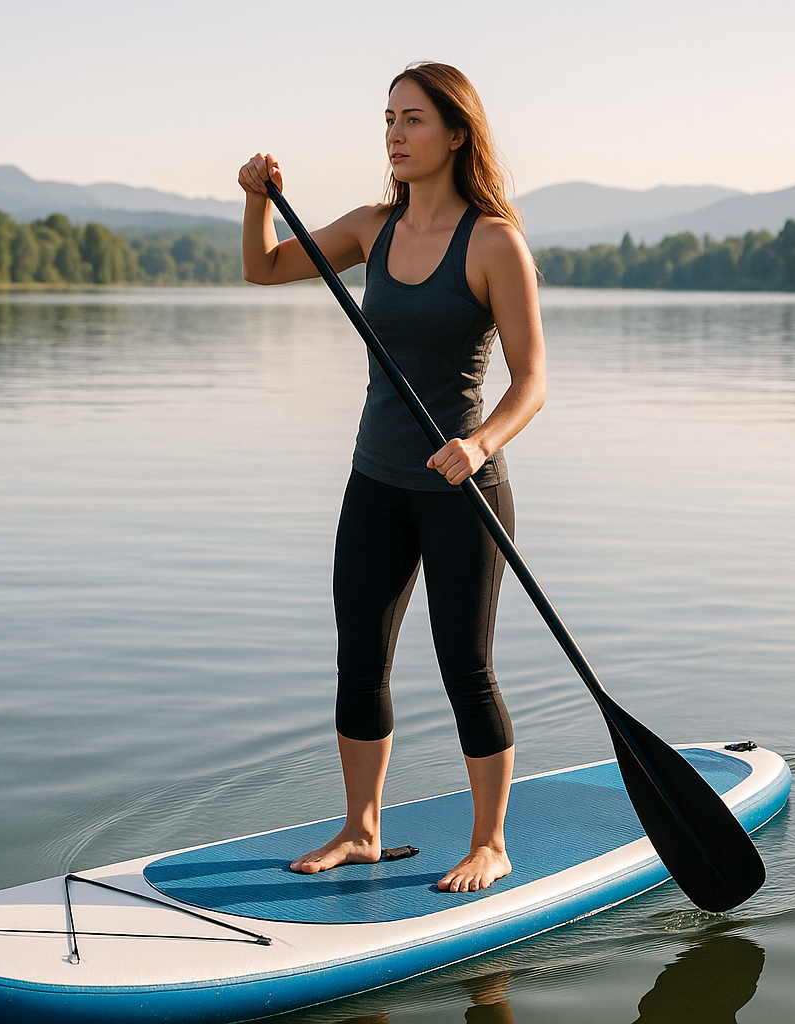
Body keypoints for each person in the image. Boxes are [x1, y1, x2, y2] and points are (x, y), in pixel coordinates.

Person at [237, 62, 546, 893]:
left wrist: (478, 446)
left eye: (411, 120)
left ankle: (491, 843)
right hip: (374, 484)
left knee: (465, 668)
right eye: (387, 120)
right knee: (359, 662)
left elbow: (532, 384)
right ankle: (361, 829)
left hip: (462, 493)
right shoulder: (373, 228)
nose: (395, 135)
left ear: (456, 134)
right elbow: (263, 269)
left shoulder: (492, 242)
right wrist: (257, 196)